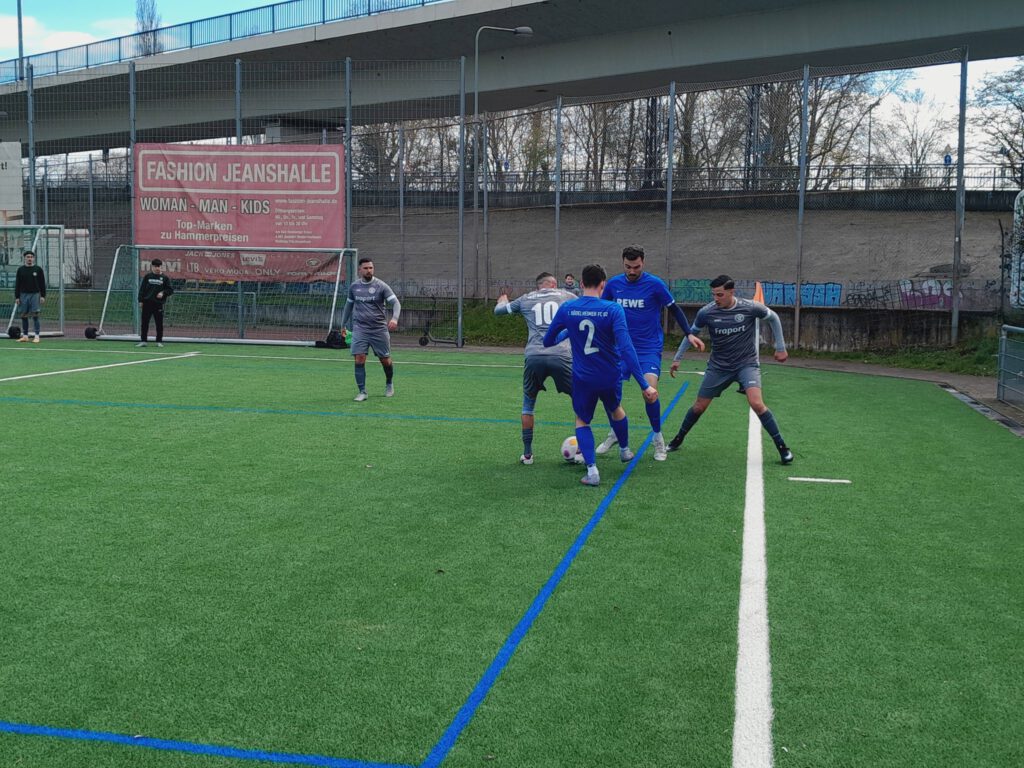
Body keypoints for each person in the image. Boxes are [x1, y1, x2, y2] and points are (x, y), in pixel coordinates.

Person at [543, 263, 657, 487]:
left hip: (583, 377)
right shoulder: (613, 309)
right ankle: (624, 450)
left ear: (581, 283)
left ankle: (592, 471)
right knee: (615, 409)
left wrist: (569, 332)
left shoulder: (568, 308)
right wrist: (644, 385)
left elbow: (548, 340)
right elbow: (627, 348)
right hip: (610, 375)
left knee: (582, 419)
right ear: (603, 285)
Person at [668, 274, 793, 464]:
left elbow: (773, 318)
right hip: (718, 367)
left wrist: (781, 347)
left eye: (719, 295)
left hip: (746, 364)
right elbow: (691, 334)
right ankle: (678, 439)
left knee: (757, 403)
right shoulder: (706, 312)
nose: (715, 299)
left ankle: (783, 448)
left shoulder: (749, 307)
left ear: (731, 292)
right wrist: (677, 358)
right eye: (713, 295)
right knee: (699, 406)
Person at [596, 245, 704, 461]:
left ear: (643, 263)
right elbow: (602, 311)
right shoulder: (614, 285)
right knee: (608, 391)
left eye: (636, 267)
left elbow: (674, 309)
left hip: (648, 348)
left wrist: (689, 333)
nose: (632, 271)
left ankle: (657, 437)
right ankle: (615, 432)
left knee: (650, 392)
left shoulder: (655, 284)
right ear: (623, 263)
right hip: (620, 349)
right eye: (628, 266)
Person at [494, 272, 577, 464]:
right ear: (553, 284)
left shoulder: (526, 298)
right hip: (561, 354)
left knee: (528, 405)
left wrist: (503, 300)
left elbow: (499, 311)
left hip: (534, 356)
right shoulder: (567, 296)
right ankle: (581, 450)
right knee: (580, 400)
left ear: (538, 286)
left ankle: (527, 455)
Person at [339, 257, 401, 402]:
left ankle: (389, 383)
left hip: (379, 329)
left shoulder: (381, 286)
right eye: (366, 268)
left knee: (385, 360)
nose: (369, 270)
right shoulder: (354, 287)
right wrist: (342, 324)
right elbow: (348, 306)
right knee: (359, 358)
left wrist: (394, 318)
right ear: (360, 270)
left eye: (371, 268)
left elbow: (396, 303)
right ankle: (362, 391)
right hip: (360, 328)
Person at [137, 258, 174, 347]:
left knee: (159, 323)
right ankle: (143, 341)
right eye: (155, 266)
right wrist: (140, 300)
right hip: (147, 303)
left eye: (159, 266)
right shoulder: (148, 277)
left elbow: (170, 290)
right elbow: (142, 289)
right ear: (152, 267)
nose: (157, 268)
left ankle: (159, 341)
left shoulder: (165, 278)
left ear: (161, 267)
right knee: (144, 323)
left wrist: (163, 293)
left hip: (158, 304)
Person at [14, 250, 46, 343]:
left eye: (31, 257)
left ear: (34, 258)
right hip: (23, 295)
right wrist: (17, 297)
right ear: (24, 258)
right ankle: (25, 336)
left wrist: (43, 295)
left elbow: (42, 283)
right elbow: (17, 284)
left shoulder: (38, 269)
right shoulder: (20, 270)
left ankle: (37, 336)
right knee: (24, 315)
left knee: (35, 315)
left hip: (35, 295)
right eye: (28, 257)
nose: (29, 259)